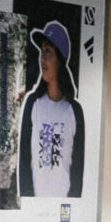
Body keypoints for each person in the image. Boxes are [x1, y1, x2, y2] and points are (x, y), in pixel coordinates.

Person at [18, 19, 85, 199]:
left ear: (60, 60)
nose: (42, 58)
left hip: (64, 206)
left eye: (48, 51)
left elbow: (78, 168)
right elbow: (24, 160)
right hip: (36, 205)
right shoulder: (33, 104)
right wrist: (28, 203)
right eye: (41, 51)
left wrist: (72, 205)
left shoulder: (74, 110)